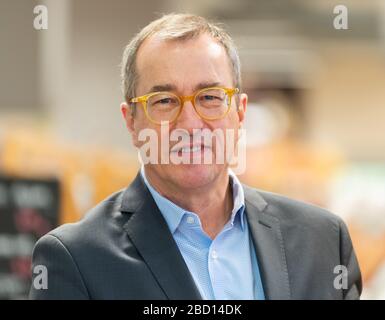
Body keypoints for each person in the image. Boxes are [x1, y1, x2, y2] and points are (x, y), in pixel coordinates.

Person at [29, 13, 362, 300]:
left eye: (210, 97)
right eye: (164, 101)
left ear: (240, 112)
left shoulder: (322, 242)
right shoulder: (76, 260)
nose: (189, 123)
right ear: (131, 121)